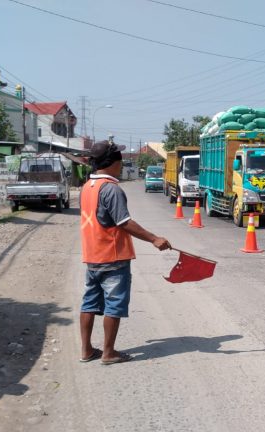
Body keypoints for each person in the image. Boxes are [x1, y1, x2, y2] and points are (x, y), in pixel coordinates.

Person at [79, 141, 171, 365]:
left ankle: (86, 350)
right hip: (113, 256)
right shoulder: (111, 189)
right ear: (114, 163)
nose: (121, 164)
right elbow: (124, 222)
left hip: (92, 255)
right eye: (120, 160)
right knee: (114, 304)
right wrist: (154, 239)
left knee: (89, 303)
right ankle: (109, 353)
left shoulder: (86, 187)